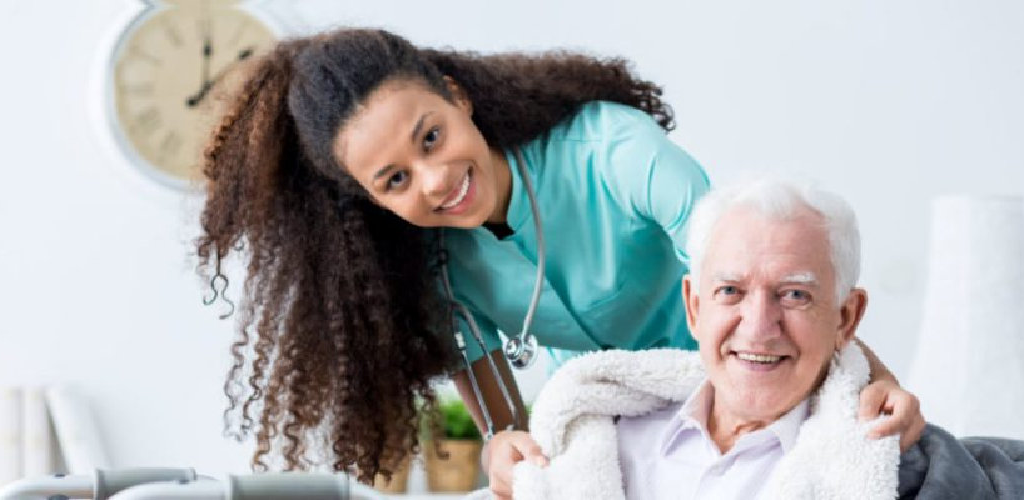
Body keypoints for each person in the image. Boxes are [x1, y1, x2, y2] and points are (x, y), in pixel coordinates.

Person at [194, 28, 925, 493]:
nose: (435, 180)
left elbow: (757, 281)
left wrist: (878, 380)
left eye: (429, 138)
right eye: (394, 181)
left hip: (743, 387)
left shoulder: (615, 152)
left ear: (456, 99)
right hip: (624, 424)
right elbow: (497, 408)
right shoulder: (432, 267)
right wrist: (503, 447)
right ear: (369, 201)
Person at [500, 176, 1024, 499]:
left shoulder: (893, 460)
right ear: (693, 305)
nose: (758, 326)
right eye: (731, 292)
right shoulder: (595, 441)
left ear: (846, 317)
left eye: (793, 294)